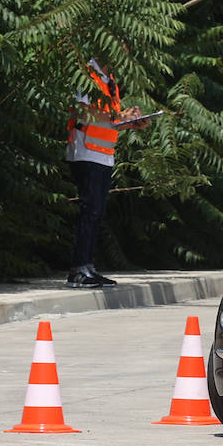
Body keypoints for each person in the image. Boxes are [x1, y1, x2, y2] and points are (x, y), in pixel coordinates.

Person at [65, 56, 151, 288]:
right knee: (90, 210)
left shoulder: (109, 81)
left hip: (103, 153)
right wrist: (118, 116)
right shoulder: (87, 75)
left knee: (97, 212)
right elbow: (84, 112)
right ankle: (78, 269)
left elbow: (109, 121)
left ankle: (88, 267)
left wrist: (131, 122)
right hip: (85, 151)